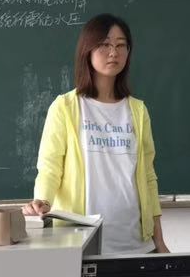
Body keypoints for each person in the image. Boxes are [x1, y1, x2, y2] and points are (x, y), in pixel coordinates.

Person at [23, 13, 169, 254]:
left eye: (121, 45)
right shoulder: (65, 107)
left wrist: (159, 241)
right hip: (81, 244)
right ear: (87, 51)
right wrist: (43, 199)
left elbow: (148, 177)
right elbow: (50, 166)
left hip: (137, 244)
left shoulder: (138, 110)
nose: (113, 52)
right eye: (104, 45)